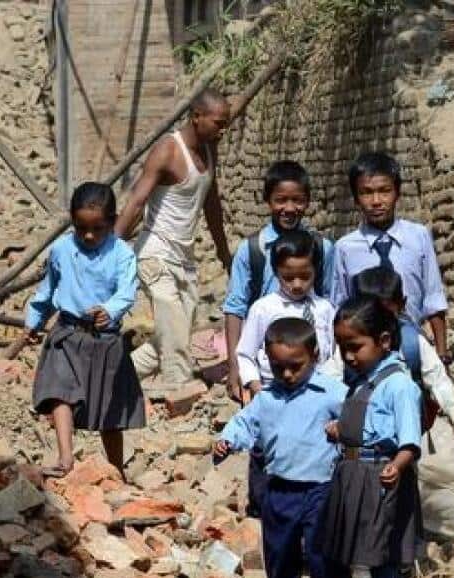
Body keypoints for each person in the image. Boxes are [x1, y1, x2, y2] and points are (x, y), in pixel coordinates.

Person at [213, 317, 346, 578]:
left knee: (319, 549)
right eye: (277, 367)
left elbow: (356, 418)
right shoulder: (267, 399)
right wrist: (227, 441)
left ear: (315, 355)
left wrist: (344, 428)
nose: (286, 374)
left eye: (295, 366)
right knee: (280, 549)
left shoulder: (332, 392)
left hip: (321, 486)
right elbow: (244, 423)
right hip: (280, 487)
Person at [317, 296, 423, 578]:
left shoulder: (399, 385)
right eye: (342, 347)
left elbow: (410, 439)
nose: (348, 355)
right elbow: (362, 426)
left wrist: (398, 464)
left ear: (384, 341)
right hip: (349, 476)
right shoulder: (362, 382)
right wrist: (340, 430)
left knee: (383, 556)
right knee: (335, 553)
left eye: (355, 346)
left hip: (381, 477)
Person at [25, 183, 145, 478]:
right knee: (59, 393)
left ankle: (117, 470)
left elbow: (127, 291)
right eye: (81, 228)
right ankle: (65, 459)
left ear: (112, 221)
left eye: (97, 229)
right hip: (67, 333)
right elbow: (48, 289)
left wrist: (110, 310)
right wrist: (35, 321)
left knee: (110, 413)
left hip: (104, 342)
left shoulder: (121, 254)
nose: (88, 236)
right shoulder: (62, 250)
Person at [116, 89, 233, 392]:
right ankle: (180, 392)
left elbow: (212, 206)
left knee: (174, 334)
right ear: (197, 117)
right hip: (155, 252)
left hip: (184, 256)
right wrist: (111, 250)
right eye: (219, 123)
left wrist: (224, 253)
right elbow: (137, 200)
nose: (224, 130)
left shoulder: (209, 151)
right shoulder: (168, 150)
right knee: (175, 331)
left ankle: (115, 378)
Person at [222, 161, 336, 402]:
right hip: (266, 376)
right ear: (267, 200)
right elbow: (235, 308)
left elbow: (330, 301)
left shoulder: (322, 249)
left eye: (298, 200)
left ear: (308, 201)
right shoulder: (252, 250)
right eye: (280, 200)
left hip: (314, 374)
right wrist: (235, 368)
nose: (289, 208)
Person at [329, 152, 451, 362]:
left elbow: (433, 298)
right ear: (356, 198)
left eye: (384, 191)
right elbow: (339, 305)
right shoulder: (344, 248)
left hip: (411, 345)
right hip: (365, 355)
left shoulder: (418, 237)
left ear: (398, 192)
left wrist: (441, 354)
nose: (376, 201)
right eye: (366, 193)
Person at [352, 266, 454, 449]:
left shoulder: (411, 342)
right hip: (361, 436)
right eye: (370, 315)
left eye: (385, 314)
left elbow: (438, 379)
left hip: (405, 434)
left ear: (401, 305)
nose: (378, 322)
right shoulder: (348, 345)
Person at [235, 228, 339, 402]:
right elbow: (246, 354)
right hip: (274, 392)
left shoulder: (325, 309)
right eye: (288, 278)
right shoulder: (263, 309)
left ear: (316, 270)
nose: (297, 284)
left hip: (318, 392)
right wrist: (256, 387)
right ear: (276, 272)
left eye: (305, 276)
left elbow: (335, 353)